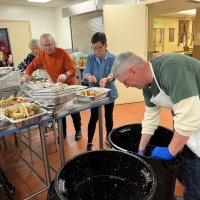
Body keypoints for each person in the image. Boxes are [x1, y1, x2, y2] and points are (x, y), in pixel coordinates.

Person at [112, 52, 200, 200]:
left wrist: (170, 151)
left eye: (125, 82)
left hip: (193, 114)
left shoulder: (171, 68)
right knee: (186, 154)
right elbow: (151, 118)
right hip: (188, 116)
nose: (126, 87)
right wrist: (141, 150)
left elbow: (189, 116)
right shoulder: (147, 87)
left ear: (133, 71)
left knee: (192, 158)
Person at [22, 33, 82, 141]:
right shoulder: (42, 55)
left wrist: (65, 74)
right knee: (60, 110)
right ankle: (63, 133)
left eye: (50, 44)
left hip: (70, 86)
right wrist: (27, 73)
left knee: (74, 109)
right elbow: (33, 65)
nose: (48, 48)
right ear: (41, 46)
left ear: (54, 43)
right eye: (45, 46)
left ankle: (78, 130)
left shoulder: (63, 53)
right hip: (58, 87)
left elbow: (72, 70)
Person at [83, 32, 118, 151]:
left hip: (109, 93)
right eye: (94, 48)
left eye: (99, 48)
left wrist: (107, 79)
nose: (97, 51)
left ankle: (109, 138)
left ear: (105, 45)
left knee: (109, 116)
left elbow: (114, 74)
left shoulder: (113, 58)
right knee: (94, 117)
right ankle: (89, 142)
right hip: (94, 93)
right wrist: (90, 77)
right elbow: (85, 72)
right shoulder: (90, 57)